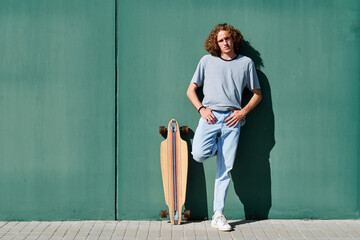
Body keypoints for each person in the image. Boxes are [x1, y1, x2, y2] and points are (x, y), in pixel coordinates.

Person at [186, 23, 262, 231]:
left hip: (232, 120)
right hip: (209, 117)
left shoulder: (246, 63)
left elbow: (257, 93)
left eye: (227, 38)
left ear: (233, 38)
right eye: (220, 40)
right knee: (199, 154)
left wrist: (242, 112)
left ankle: (218, 215)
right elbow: (191, 90)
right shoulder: (206, 61)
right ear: (215, 43)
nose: (225, 43)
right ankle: (220, 148)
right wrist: (201, 109)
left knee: (224, 169)